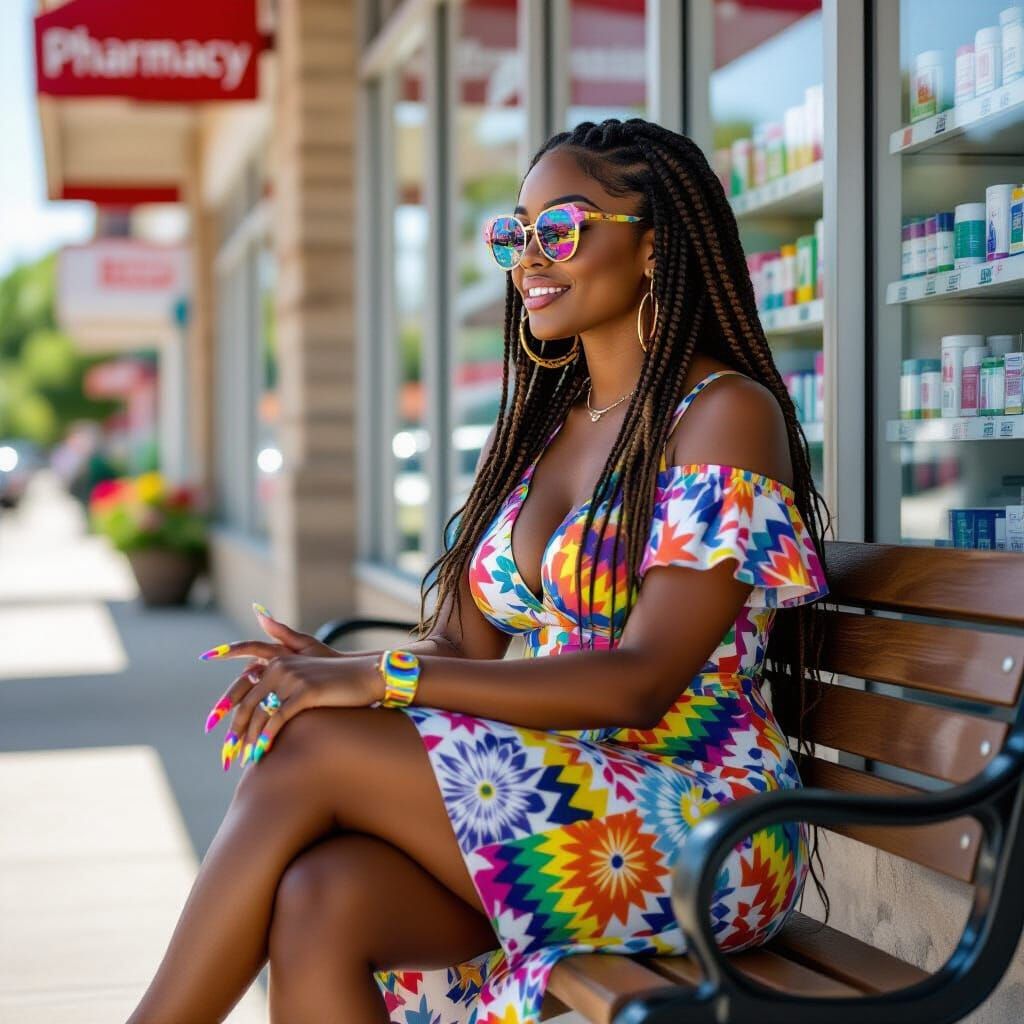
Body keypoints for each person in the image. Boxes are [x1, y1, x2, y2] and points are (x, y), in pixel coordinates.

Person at [125, 117, 832, 1024]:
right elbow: (462, 640)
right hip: (562, 791)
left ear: (654, 248)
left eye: (563, 229)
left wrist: (379, 677)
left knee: (312, 746)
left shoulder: (725, 415)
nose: (531, 257)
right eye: (516, 234)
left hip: (702, 821)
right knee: (323, 897)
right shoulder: (548, 430)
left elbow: (640, 685)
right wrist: (343, 673)